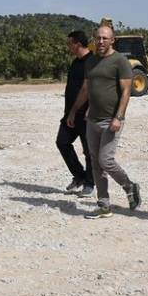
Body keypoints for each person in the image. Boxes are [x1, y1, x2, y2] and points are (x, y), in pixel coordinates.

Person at [67, 24, 141, 219]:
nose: (100, 42)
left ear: (112, 40)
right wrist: (74, 111)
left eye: (104, 38)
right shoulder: (90, 62)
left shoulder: (120, 61)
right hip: (92, 120)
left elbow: (126, 92)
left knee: (105, 160)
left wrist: (119, 117)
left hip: (111, 120)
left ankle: (129, 186)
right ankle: (104, 205)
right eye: (98, 38)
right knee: (95, 165)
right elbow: (86, 89)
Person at [57, 30, 94, 196]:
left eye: (69, 43)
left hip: (86, 115)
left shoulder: (92, 62)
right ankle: (79, 176)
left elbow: (89, 90)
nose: (68, 47)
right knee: (62, 142)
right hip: (70, 114)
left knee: (89, 151)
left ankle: (90, 183)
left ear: (77, 43)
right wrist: (68, 113)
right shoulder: (75, 62)